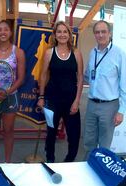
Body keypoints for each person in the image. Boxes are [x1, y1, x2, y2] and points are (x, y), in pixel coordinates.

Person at [37, 21, 84, 163]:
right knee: (51, 133)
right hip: (52, 101)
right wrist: (41, 97)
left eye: (65, 32)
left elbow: (80, 77)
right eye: (59, 32)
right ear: (55, 35)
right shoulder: (49, 53)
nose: (62, 34)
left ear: (69, 35)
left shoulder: (76, 53)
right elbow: (43, 75)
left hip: (70, 101)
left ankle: (69, 161)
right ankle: (50, 160)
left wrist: (76, 101)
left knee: (74, 136)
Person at [83, 20, 126, 158]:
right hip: (91, 104)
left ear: (109, 33)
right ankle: (89, 166)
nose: (100, 35)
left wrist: (121, 111)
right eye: (97, 32)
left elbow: (124, 84)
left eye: (103, 32)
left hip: (109, 106)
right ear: (94, 34)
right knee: (89, 141)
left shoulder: (119, 54)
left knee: (104, 144)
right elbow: (88, 75)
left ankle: (101, 171)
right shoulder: (92, 53)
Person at [0, 20, 26, 163]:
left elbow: (21, 78)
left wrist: (7, 92)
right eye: (0, 29)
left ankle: (8, 163)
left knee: (8, 130)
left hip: (10, 97)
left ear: (10, 33)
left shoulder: (18, 52)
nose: (2, 32)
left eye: (6, 30)